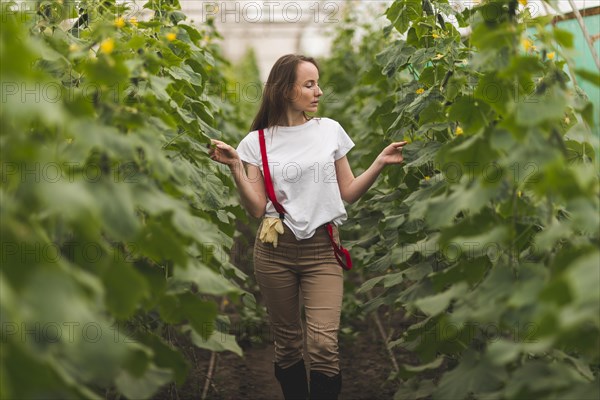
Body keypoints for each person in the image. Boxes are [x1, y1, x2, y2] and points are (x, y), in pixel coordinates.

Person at [209, 54, 406, 400]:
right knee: (287, 345)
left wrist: (379, 163)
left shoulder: (328, 130)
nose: (319, 92)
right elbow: (256, 208)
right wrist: (236, 168)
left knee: (323, 345)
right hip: (274, 252)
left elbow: (347, 192)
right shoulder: (255, 143)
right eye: (309, 84)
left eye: (318, 83)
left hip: (322, 250)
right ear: (286, 90)